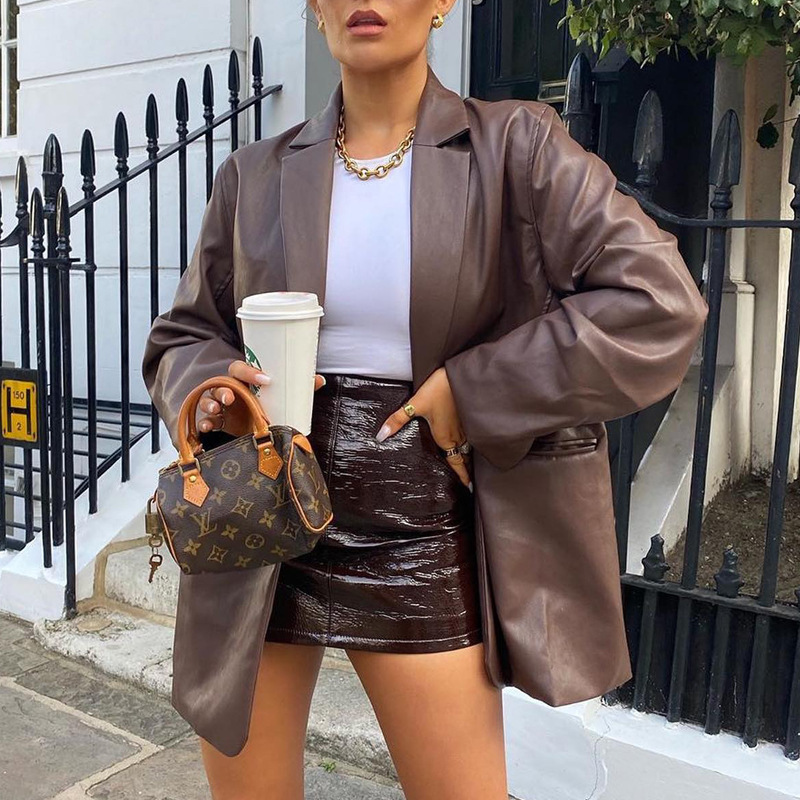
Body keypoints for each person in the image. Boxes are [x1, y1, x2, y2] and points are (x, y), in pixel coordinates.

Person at [141, 2, 709, 798]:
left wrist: (474, 390)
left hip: (419, 516)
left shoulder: (518, 145)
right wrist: (211, 389)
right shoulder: (254, 174)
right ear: (315, 10)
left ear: (444, 4)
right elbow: (184, 335)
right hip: (266, 510)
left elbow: (659, 302)